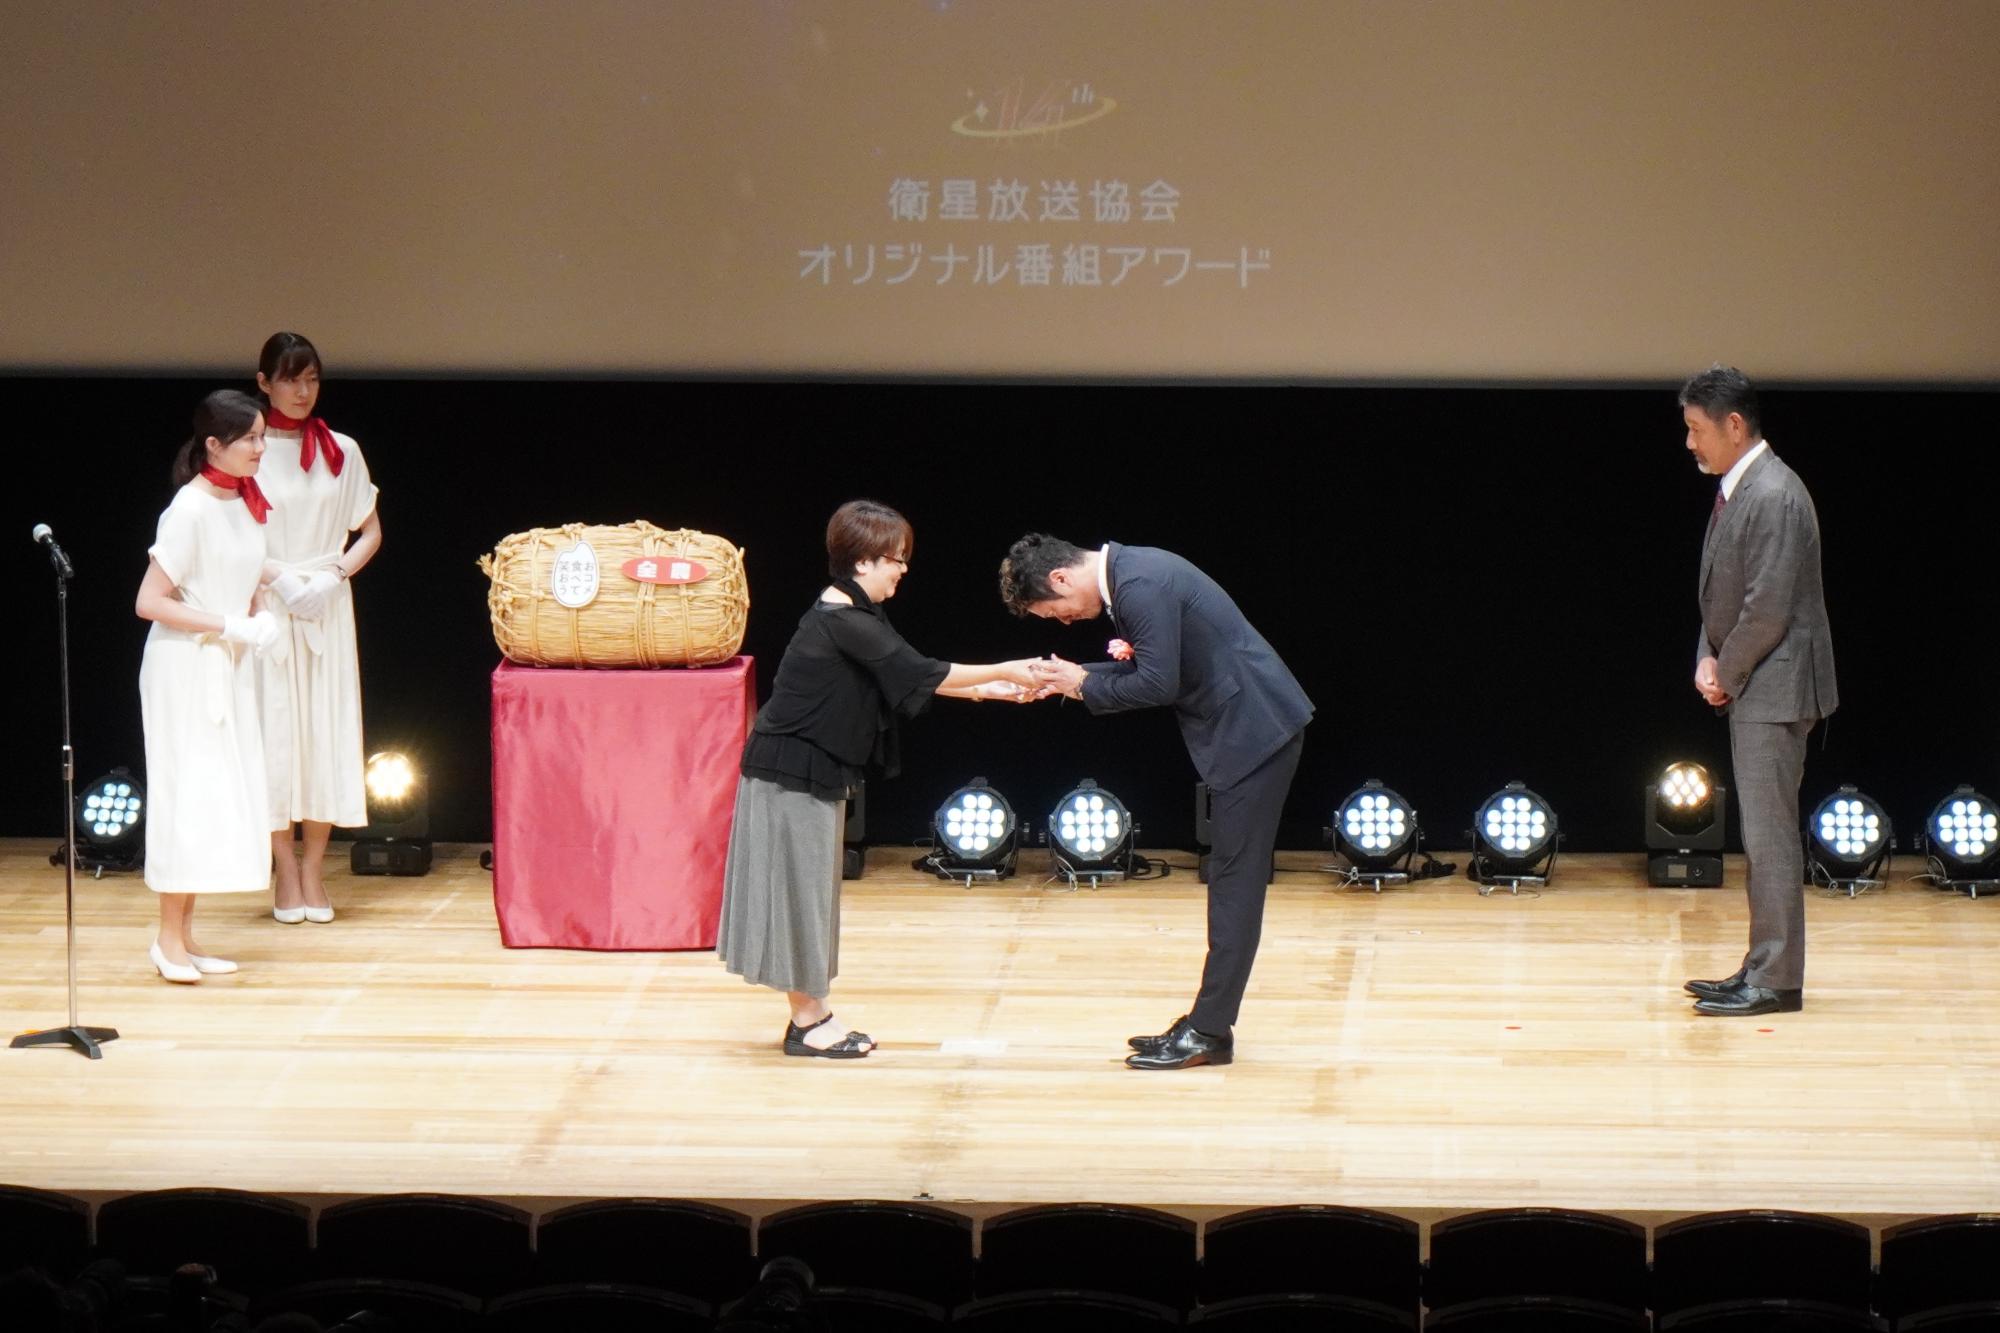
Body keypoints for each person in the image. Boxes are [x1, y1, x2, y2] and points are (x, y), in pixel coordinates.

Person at [718, 500, 1042, 1058]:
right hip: (788, 773)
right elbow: (918, 670)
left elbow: (904, 674)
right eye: (895, 559)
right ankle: (807, 1023)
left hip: (810, 771)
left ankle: (813, 1014)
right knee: (800, 896)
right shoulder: (841, 619)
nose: (903, 569)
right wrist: (1007, 668)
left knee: (812, 894)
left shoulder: (857, 613)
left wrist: (985, 691)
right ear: (863, 561)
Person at [1001, 534, 1313, 1069]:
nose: (1065, 622)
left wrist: (1081, 684)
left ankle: (1210, 1031)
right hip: (1250, 726)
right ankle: (1208, 1024)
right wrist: (1071, 680)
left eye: (1055, 612)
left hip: (1254, 730)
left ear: (1060, 579)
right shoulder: (1132, 573)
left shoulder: (1139, 585)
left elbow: (1157, 684)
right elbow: (1159, 669)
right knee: (1231, 880)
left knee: (1234, 883)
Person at [1678, 364, 1838, 1016]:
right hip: (1756, 681)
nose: (1690, 441)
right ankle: (1761, 963)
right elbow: (1722, 594)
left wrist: (1725, 671)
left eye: (1697, 429)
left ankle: (1776, 979)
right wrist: (1706, 654)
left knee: (1770, 840)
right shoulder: (1740, 488)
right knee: (1761, 836)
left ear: (1735, 425)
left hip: (1776, 687)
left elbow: (1766, 608)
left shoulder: (1774, 494)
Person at [134, 390, 283, 982]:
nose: (261, 447)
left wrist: (260, 609)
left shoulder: (243, 501)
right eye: (251, 438)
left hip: (227, 661)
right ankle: (167, 940)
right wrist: (228, 624)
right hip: (186, 668)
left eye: (263, 435)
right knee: (187, 796)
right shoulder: (189, 509)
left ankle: (185, 937)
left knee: (212, 795)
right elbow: (149, 601)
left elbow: (242, 575)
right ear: (214, 444)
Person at [253, 332, 382, 924]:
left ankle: (314, 867)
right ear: (264, 383)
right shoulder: (249, 447)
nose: (303, 392)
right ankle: (283, 864)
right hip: (269, 600)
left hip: (326, 603)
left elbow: (370, 531)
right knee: (276, 732)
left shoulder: (341, 449)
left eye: (311, 380)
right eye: (290, 379)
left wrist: (334, 576)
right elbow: (232, 534)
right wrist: (279, 578)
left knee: (325, 730)